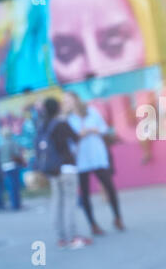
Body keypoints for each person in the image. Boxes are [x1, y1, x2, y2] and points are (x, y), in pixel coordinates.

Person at [63, 92, 125, 235]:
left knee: (109, 186)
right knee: (84, 193)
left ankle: (117, 217)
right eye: (65, 101)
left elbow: (103, 129)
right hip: (81, 159)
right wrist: (80, 135)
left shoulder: (91, 112)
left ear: (76, 99)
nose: (68, 103)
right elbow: (68, 141)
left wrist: (93, 130)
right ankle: (93, 224)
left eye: (69, 100)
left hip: (97, 155)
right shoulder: (68, 120)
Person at [39, 98, 91, 249]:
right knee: (69, 202)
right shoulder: (61, 123)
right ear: (57, 108)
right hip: (66, 168)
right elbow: (75, 138)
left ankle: (61, 237)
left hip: (52, 170)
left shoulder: (44, 125)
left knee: (57, 202)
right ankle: (73, 237)